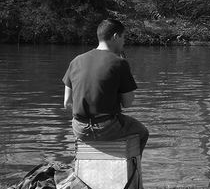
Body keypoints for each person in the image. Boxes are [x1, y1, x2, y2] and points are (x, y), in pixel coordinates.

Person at [62, 18, 149, 153]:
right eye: (123, 38)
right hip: (106, 128)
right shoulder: (119, 63)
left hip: (79, 129)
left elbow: (67, 102)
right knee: (142, 132)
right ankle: (133, 173)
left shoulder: (76, 60)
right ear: (115, 36)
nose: (124, 42)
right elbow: (128, 103)